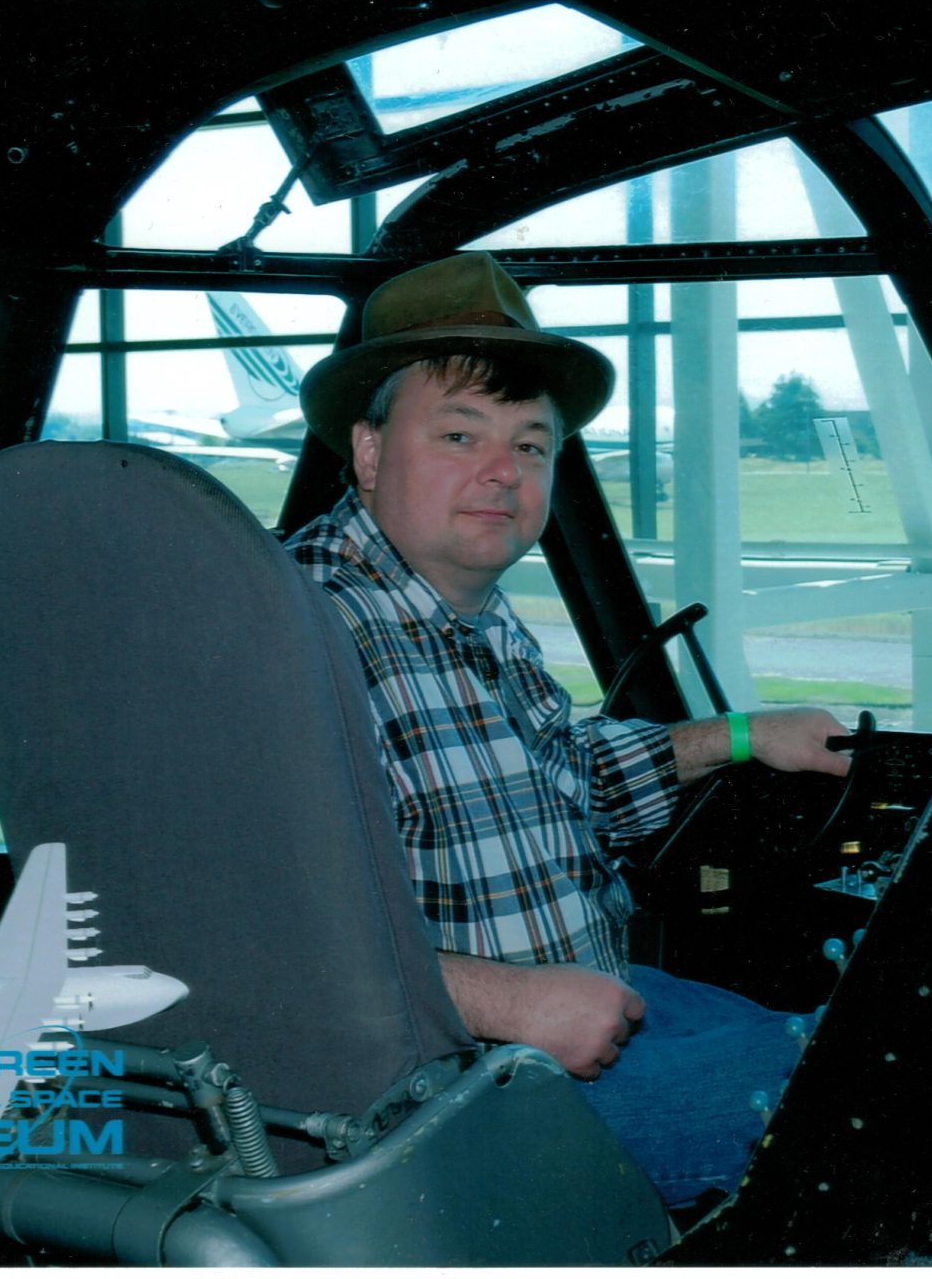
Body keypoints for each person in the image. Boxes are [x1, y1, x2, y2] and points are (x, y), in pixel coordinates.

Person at [287, 251, 851, 1208]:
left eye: (532, 446)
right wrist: (506, 1001)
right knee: (865, 1101)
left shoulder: (467, 611)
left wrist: (745, 735)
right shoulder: (293, 627)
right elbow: (244, 936)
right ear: (372, 450)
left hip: (580, 1003)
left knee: (851, 1035)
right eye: (460, 434)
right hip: (434, 1097)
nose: (504, 473)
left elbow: (562, 772)